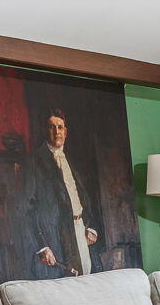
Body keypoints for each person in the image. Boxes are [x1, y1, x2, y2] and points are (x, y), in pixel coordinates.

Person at [27, 108, 103, 277]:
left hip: (81, 231)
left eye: (60, 127)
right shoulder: (33, 161)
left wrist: (91, 226)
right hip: (55, 238)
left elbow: (85, 197)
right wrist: (42, 246)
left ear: (65, 132)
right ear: (45, 130)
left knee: (87, 279)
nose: (56, 132)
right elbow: (27, 209)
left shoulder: (73, 159)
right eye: (51, 127)